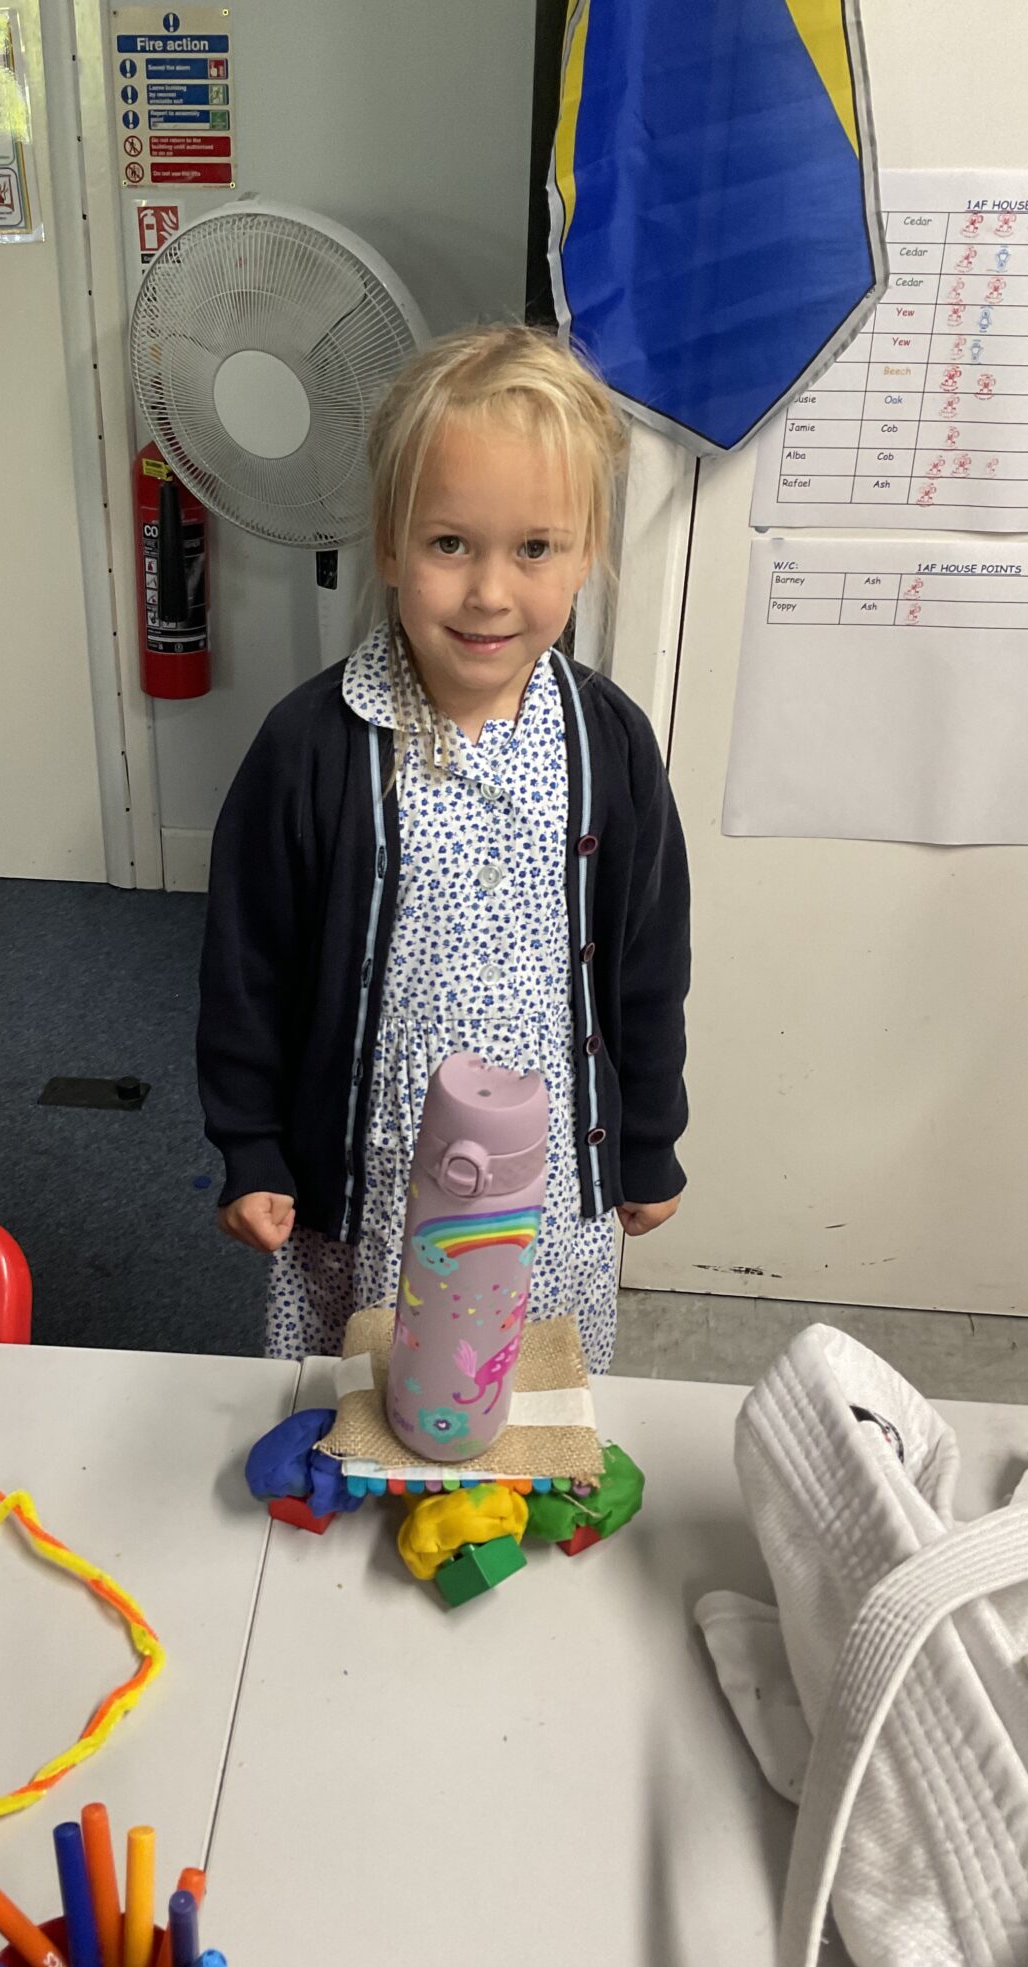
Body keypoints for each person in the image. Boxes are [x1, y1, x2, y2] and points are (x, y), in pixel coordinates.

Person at [197, 323, 690, 1371]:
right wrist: (252, 1147)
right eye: (450, 544)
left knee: (523, 1403)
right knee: (364, 1399)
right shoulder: (313, 746)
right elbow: (248, 967)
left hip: (547, 1193)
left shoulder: (609, 746)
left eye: (535, 549)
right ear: (389, 543)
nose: (490, 593)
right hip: (371, 1189)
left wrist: (648, 1137)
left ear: (586, 552)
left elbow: (648, 963)